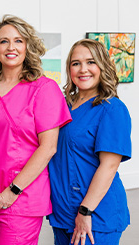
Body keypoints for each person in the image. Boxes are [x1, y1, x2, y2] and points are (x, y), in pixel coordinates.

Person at [0, 15, 72, 244]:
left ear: (27, 46)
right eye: (4, 41)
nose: (11, 47)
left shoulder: (44, 89)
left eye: (18, 40)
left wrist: (13, 190)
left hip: (22, 198)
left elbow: (48, 147)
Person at [48, 39, 132, 245]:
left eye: (91, 62)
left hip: (96, 215)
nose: (83, 69)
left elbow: (109, 165)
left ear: (103, 65)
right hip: (63, 211)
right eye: (76, 63)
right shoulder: (63, 105)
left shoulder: (111, 108)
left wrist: (86, 211)